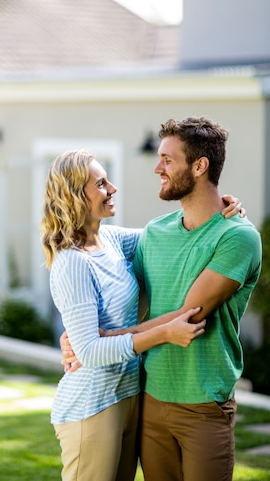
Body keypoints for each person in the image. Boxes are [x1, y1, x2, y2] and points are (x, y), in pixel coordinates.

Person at [41, 147, 242, 481]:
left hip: (130, 396)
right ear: (77, 196)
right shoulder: (72, 262)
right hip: (93, 406)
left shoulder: (112, 240)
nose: (112, 189)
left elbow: (179, 235)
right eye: (102, 184)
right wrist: (163, 333)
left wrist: (223, 208)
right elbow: (89, 352)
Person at [130, 116, 262, 481]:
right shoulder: (154, 232)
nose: (158, 168)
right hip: (151, 399)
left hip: (204, 404)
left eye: (168, 160)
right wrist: (79, 335)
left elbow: (189, 314)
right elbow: (103, 257)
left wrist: (110, 339)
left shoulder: (238, 237)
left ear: (200, 166)